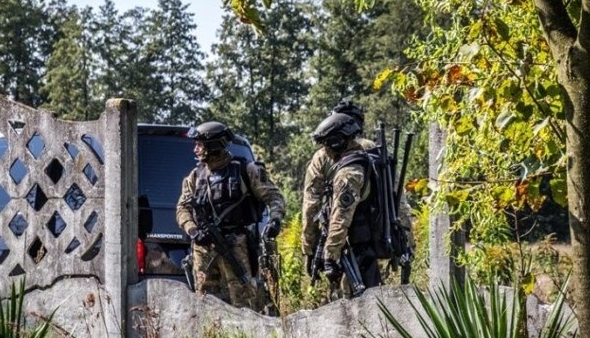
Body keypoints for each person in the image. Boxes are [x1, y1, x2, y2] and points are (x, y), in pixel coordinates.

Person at [301, 100, 414, 286]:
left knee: (349, 301)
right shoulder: (374, 151)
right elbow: (397, 200)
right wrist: (407, 243)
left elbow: (313, 205)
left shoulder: (334, 163)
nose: (327, 150)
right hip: (376, 237)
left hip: (345, 242)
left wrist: (313, 250)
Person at [176, 121, 285, 309]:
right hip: (203, 248)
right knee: (205, 303)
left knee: (244, 301)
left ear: (213, 146)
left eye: (199, 145)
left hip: (236, 245)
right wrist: (193, 231)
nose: (195, 150)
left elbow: (275, 198)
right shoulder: (195, 176)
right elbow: (182, 208)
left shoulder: (246, 170)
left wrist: (275, 221)